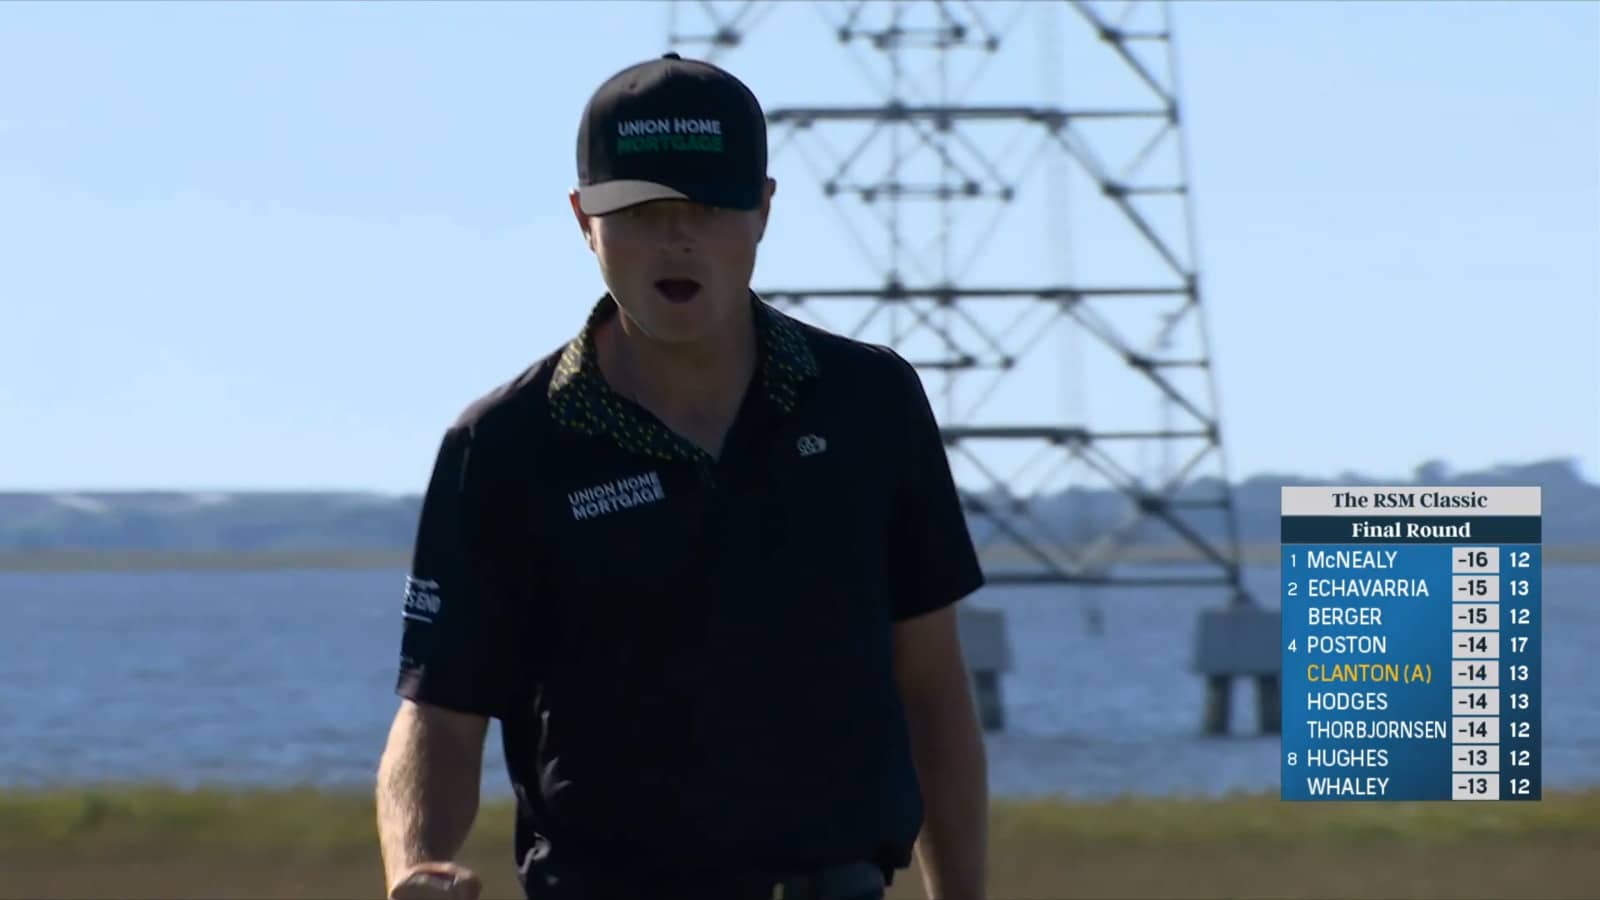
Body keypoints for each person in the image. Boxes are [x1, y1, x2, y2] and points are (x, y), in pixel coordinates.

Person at [375, 51, 990, 900]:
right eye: (640, 209)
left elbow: (931, 685)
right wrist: (415, 865)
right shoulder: (505, 444)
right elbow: (440, 714)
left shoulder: (870, 404)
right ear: (583, 219)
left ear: (764, 210)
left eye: (707, 205)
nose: (678, 238)